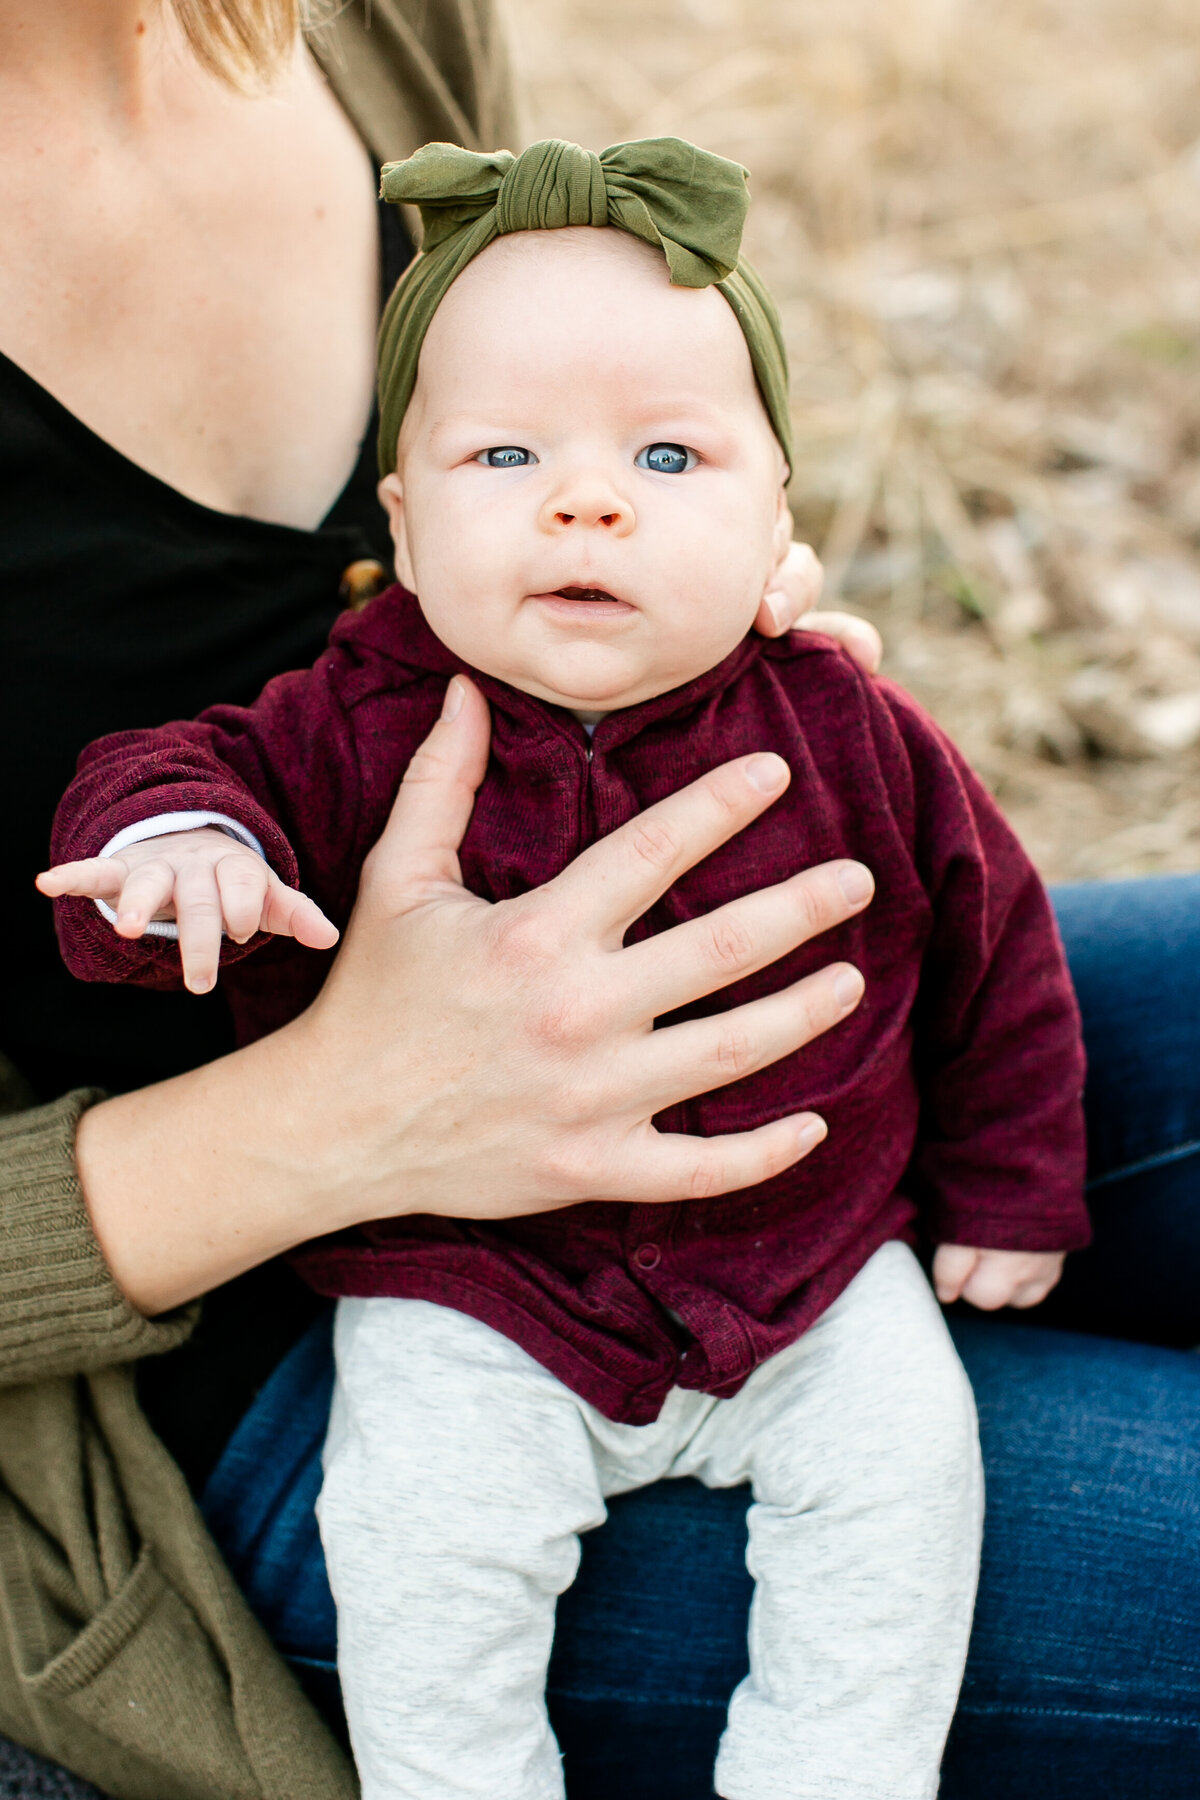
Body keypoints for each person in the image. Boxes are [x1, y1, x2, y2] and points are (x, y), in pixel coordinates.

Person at [0, 5, 1197, 1799]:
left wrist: (706, 573)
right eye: (502, 474)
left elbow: (988, 942)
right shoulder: (323, 735)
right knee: (449, 1550)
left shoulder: (367, 31)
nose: (581, 503)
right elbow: (192, 778)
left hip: (804, 1227)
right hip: (316, 1314)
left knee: (897, 1464)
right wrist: (303, 1089)